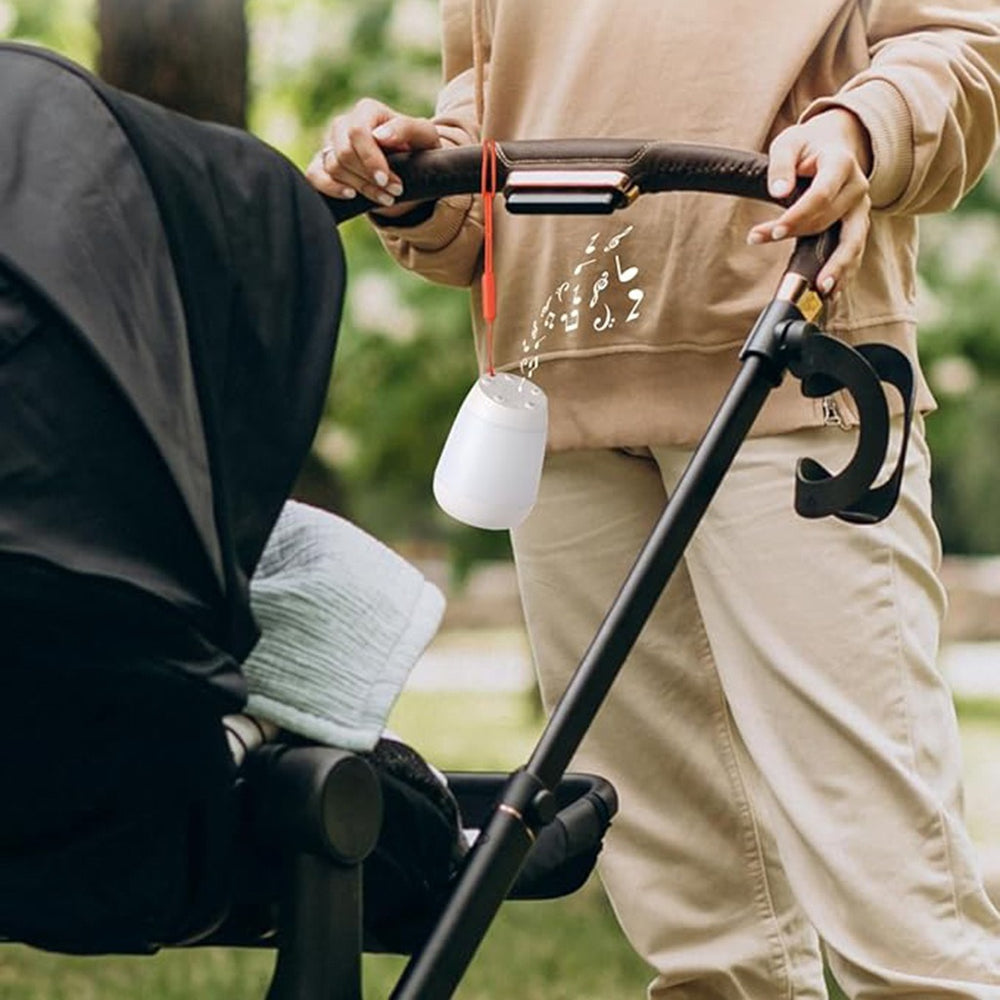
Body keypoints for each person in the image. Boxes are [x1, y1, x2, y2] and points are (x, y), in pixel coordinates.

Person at [308, 2, 1000, 996]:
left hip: (796, 386)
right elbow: (488, 150)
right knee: (702, 937)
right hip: (560, 402)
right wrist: (413, 174)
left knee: (897, 908)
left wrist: (859, 126)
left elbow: (964, 47)